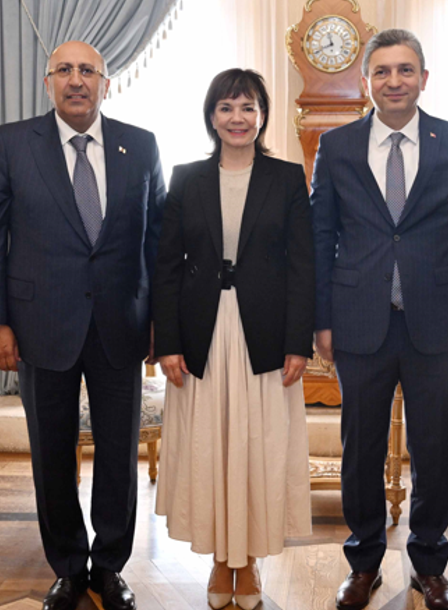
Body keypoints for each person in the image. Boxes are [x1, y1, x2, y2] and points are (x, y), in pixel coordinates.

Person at [0, 41, 164, 610]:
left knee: (118, 457)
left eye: (87, 70)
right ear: (47, 82)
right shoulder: (12, 143)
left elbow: (158, 243)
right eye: (64, 70)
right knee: (51, 454)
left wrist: (162, 321)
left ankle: (109, 568)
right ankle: (67, 568)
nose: (76, 80)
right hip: (40, 326)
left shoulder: (141, 145)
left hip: (121, 325)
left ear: (107, 83)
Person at [311, 29, 448, 610]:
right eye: (383, 71)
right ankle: (363, 562)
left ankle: (430, 564)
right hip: (358, 320)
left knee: (434, 447)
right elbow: (320, 236)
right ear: (367, 80)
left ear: (423, 78)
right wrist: (321, 319)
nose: (394, 81)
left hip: (437, 323)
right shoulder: (337, 146)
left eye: (405, 70)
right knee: (360, 449)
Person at [152, 69, 314, 610]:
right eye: (226, 107)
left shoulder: (287, 178)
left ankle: (250, 560)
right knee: (210, 445)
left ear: (263, 115)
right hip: (200, 334)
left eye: (247, 107)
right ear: (211, 116)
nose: (237, 118)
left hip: (264, 335)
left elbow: (303, 266)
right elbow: (166, 267)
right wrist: (167, 343)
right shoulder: (186, 178)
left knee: (258, 445)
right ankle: (222, 561)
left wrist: (298, 342)